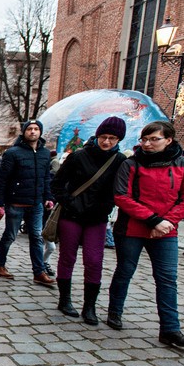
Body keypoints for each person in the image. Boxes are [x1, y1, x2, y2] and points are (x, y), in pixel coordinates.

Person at [108, 121, 184, 347]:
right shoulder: (131, 164)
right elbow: (121, 196)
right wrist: (154, 219)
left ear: (168, 140)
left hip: (166, 230)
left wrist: (168, 221)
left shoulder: (183, 164)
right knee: (125, 270)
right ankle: (114, 312)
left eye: (153, 139)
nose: (147, 144)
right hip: (132, 228)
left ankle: (170, 329)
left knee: (167, 278)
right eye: (144, 139)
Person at [51, 116, 127, 324]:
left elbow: (121, 190)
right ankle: (64, 299)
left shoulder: (120, 161)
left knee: (94, 261)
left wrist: (107, 205)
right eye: (103, 136)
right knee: (67, 257)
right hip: (72, 215)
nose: (107, 142)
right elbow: (57, 184)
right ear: (97, 136)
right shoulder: (78, 156)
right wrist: (68, 202)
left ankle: (89, 306)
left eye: (112, 138)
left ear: (119, 140)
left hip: (97, 218)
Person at [0, 119, 56, 286]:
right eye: (30, 129)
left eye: (36, 129)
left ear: (40, 132)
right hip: (16, 202)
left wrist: (48, 197)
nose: (33, 132)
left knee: (36, 237)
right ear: (24, 132)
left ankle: (39, 272)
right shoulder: (13, 153)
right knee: (10, 235)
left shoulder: (44, 154)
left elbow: (46, 178)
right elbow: (1, 179)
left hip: (36, 204)